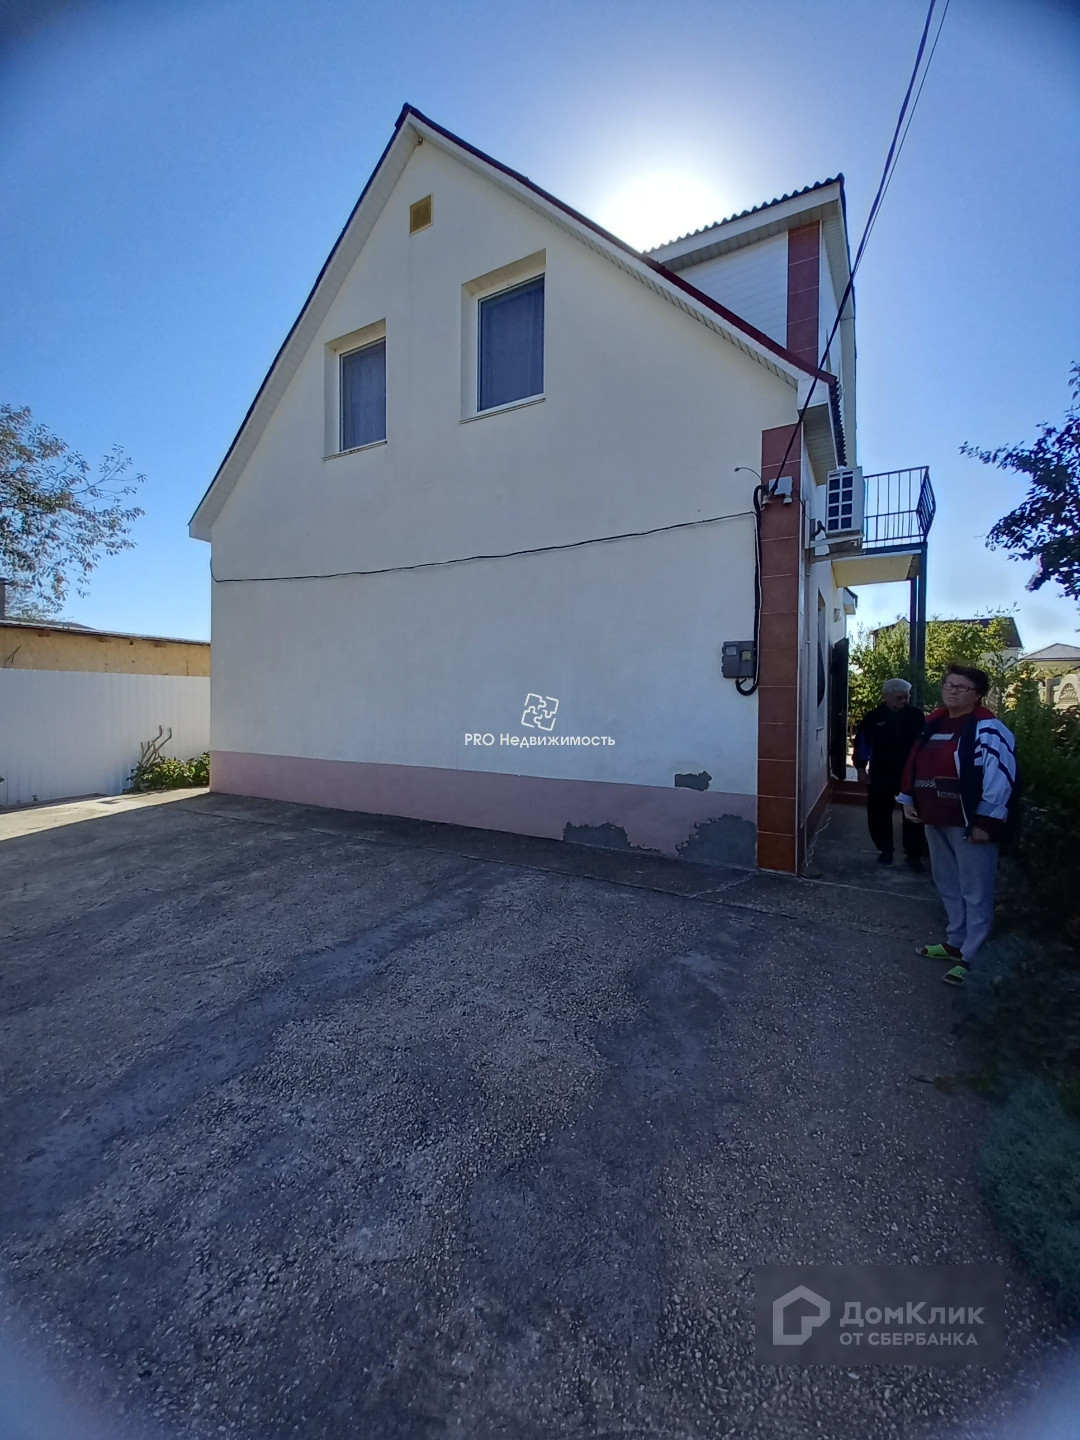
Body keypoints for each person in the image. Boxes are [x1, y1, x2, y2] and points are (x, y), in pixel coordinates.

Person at [896, 663, 1017, 986]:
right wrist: (908, 799)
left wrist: (985, 822)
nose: (952, 691)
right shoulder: (933, 723)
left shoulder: (988, 728)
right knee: (947, 882)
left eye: (961, 687)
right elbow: (914, 763)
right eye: (948, 685)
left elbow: (1000, 777)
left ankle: (973, 955)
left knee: (975, 889)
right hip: (934, 817)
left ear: (977, 694)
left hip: (969, 823)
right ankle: (956, 941)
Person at [852, 678, 927, 869]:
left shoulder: (916, 716)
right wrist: (860, 769)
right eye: (900, 697)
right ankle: (885, 849)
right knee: (879, 812)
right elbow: (862, 744)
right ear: (887, 696)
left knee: (913, 813)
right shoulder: (873, 717)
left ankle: (914, 854)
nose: (905, 700)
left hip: (910, 772)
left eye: (907, 696)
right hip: (881, 772)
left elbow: (925, 744)